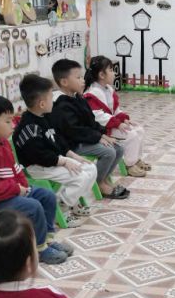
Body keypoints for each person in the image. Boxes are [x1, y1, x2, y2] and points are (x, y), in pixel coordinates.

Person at [0, 92, 74, 266]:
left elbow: (15, 169)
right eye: (8, 121)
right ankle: (39, 249)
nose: (14, 124)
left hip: (6, 192)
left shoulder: (1, 141)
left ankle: (46, 240)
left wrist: (23, 187)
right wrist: (16, 189)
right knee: (33, 207)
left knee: (47, 196)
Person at [12, 73, 101, 221]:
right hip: (37, 166)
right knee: (80, 177)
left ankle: (70, 202)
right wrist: (64, 161)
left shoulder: (46, 117)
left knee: (90, 168)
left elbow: (58, 140)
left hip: (53, 160)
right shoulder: (29, 128)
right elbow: (40, 156)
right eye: (51, 98)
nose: (53, 101)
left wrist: (72, 156)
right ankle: (61, 206)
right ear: (42, 104)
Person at [50, 58, 130, 199]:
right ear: (64, 82)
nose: (83, 81)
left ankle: (103, 179)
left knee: (118, 148)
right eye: (78, 78)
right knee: (108, 152)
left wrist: (102, 134)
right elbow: (75, 130)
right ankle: (99, 183)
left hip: (85, 139)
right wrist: (97, 137)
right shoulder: (61, 104)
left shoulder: (78, 97)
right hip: (72, 145)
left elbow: (91, 121)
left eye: (82, 77)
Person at [83, 55, 151, 175]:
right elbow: (97, 116)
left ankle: (136, 159)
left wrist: (123, 119)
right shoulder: (92, 93)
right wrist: (117, 124)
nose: (114, 73)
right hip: (102, 129)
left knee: (139, 130)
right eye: (111, 70)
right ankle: (130, 165)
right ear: (101, 75)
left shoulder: (108, 89)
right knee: (131, 135)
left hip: (111, 125)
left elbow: (115, 110)